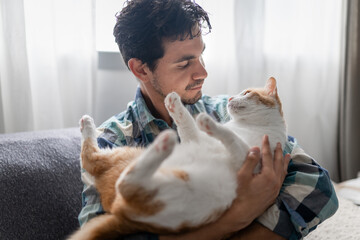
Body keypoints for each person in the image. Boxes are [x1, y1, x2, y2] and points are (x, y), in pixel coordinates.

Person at [78, 0, 338, 239]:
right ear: (141, 69)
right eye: (184, 63)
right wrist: (240, 213)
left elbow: (317, 186)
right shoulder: (111, 140)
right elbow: (105, 232)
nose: (203, 72)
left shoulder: (225, 112)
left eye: (201, 55)